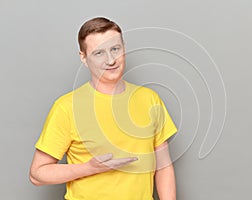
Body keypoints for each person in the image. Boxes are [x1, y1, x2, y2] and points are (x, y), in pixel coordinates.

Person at [29, 17, 177, 200]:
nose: (110, 60)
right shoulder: (66, 107)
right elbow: (37, 174)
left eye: (115, 49)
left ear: (124, 48)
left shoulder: (150, 99)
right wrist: (89, 168)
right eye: (99, 53)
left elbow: (163, 166)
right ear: (83, 58)